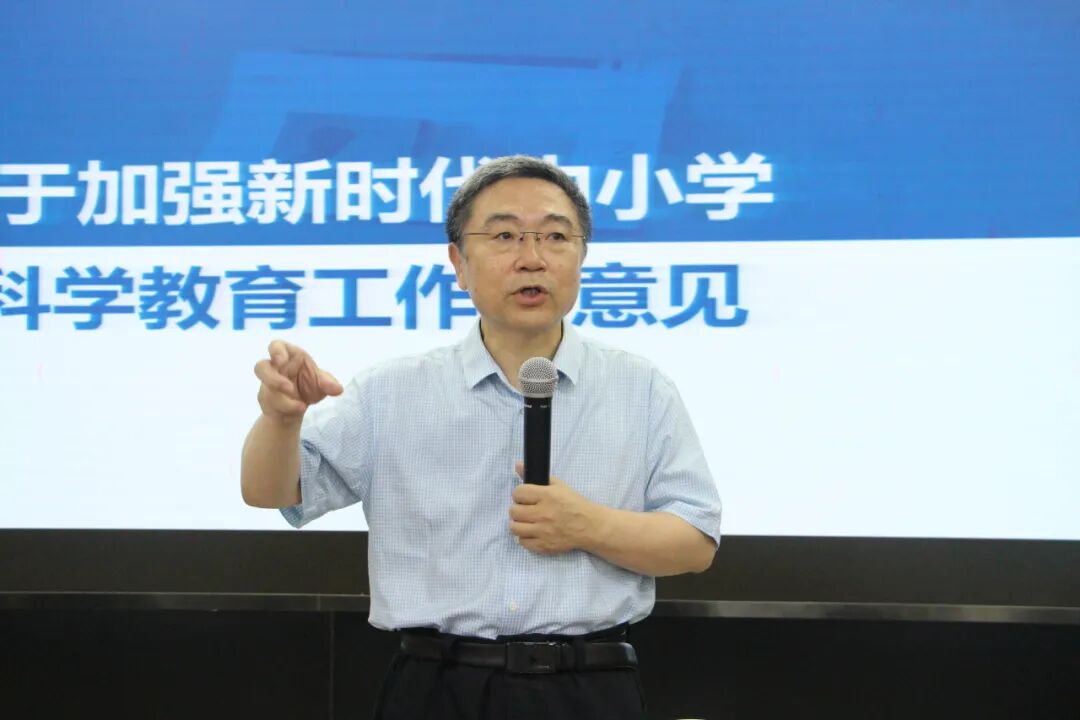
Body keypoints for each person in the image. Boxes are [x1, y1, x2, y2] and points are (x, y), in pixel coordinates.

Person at [240, 155, 722, 719]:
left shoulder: (639, 388)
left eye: (555, 236)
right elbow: (273, 492)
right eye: (504, 235)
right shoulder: (391, 391)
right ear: (459, 262)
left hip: (590, 687)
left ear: (582, 256)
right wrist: (281, 419)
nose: (532, 258)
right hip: (437, 687)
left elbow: (695, 542)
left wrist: (587, 525)